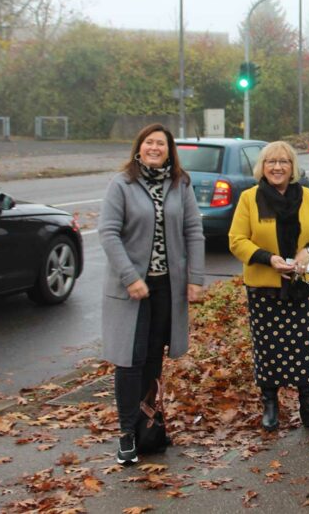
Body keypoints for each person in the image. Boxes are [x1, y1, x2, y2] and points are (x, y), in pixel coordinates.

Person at [99, 123, 205, 465]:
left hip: (165, 288)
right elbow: (108, 233)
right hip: (131, 289)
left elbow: (194, 231)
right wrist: (130, 277)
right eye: (149, 142)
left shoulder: (180, 184)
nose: (155, 148)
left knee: (155, 358)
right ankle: (127, 435)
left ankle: (149, 426)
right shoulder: (122, 184)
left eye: (161, 143)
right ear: (139, 147)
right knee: (130, 360)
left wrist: (195, 278)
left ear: (169, 150)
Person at [229, 141, 309, 432]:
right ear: (262, 168)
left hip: (297, 284)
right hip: (263, 285)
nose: (277, 167)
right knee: (267, 347)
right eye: (271, 162)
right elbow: (237, 240)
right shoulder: (250, 198)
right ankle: (270, 404)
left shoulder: (308, 197)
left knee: (301, 344)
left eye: (284, 162)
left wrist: (308, 251)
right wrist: (269, 259)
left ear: (293, 167)